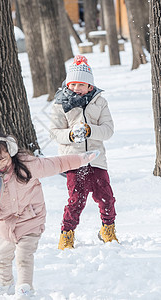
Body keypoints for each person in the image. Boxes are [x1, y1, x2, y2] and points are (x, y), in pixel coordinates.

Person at [0, 131, 98, 298]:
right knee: (1, 256)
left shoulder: (28, 166)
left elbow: (56, 164)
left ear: (11, 152)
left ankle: (24, 287)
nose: (0, 165)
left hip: (31, 220)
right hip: (5, 225)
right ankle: (4, 282)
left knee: (24, 256)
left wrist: (81, 159)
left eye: (3, 158)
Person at [49, 55, 118, 250]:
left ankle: (108, 229)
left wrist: (90, 131)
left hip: (97, 160)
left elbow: (108, 130)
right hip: (74, 160)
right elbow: (54, 133)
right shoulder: (60, 104)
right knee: (76, 199)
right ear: (68, 84)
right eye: (73, 84)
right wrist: (71, 135)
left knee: (106, 197)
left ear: (90, 87)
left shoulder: (100, 102)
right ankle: (67, 234)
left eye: (82, 84)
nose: (77, 88)